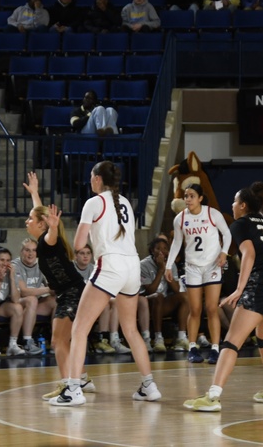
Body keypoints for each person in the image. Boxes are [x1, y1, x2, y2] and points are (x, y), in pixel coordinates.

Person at [183, 185, 263, 411]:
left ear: (243, 205)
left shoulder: (240, 224)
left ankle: (212, 397)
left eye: (234, 201)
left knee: (231, 341)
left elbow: (249, 254)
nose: (231, 205)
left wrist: (239, 289)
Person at [50, 161, 161, 406]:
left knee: (79, 328)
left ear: (98, 179)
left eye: (91, 176)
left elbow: (79, 245)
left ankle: (73, 390)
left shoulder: (94, 202)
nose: (90, 181)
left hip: (110, 264)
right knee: (130, 330)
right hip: (132, 265)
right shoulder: (126, 205)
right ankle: (149, 385)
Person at [21, 173, 98, 400]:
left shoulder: (47, 240)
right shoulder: (44, 237)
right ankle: (82, 379)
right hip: (70, 292)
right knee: (66, 339)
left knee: (58, 341)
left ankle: (68, 386)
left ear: (42, 225)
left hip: (73, 293)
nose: (27, 221)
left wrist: (53, 227)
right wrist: (35, 193)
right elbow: (40, 215)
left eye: (30, 219)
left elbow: (50, 232)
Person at [166, 183, 231, 364]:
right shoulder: (180, 218)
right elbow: (177, 243)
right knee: (195, 309)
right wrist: (168, 266)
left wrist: (224, 252)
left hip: (212, 266)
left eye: (192, 196)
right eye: (186, 196)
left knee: (212, 308)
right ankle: (192, 347)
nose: (188, 199)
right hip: (193, 267)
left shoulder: (212, 214)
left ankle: (215, 349)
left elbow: (227, 234)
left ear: (200, 198)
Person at [140, 235, 190, 354]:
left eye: (165, 249)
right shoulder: (143, 265)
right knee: (158, 296)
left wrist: (167, 269)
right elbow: (150, 291)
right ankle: (158, 338)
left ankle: (181, 337)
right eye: (158, 248)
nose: (162, 251)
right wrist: (161, 270)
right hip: (147, 303)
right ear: (152, 250)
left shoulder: (171, 264)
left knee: (185, 296)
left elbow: (177, 290)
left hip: (164, 302)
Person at [13, 232, 56, 356]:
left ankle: (56, 341)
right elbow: (23, 291)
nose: (30, 254)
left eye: (33, 250)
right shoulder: (15, 265)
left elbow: (52, 286)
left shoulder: (42, 264)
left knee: (56, 301)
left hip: (34, 305)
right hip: (16, 304)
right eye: (27, 250)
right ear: (21, 252)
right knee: (31, 299)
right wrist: (48, 289)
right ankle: (27, 341)